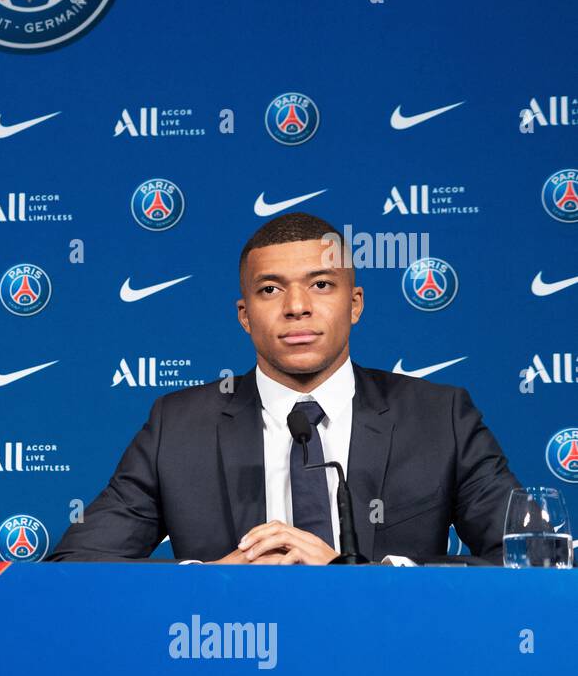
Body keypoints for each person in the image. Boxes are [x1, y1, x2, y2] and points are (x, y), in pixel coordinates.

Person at [48, 212, 521, 565]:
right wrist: (209, 580)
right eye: (270, 290)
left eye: (320, 284)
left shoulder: (440, 418)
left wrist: (361, 577)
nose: (296, 306)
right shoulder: (178, 426)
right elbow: (74, 567)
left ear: (354, 304)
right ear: (244, 314)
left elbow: (535, 560)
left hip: (387, 670)